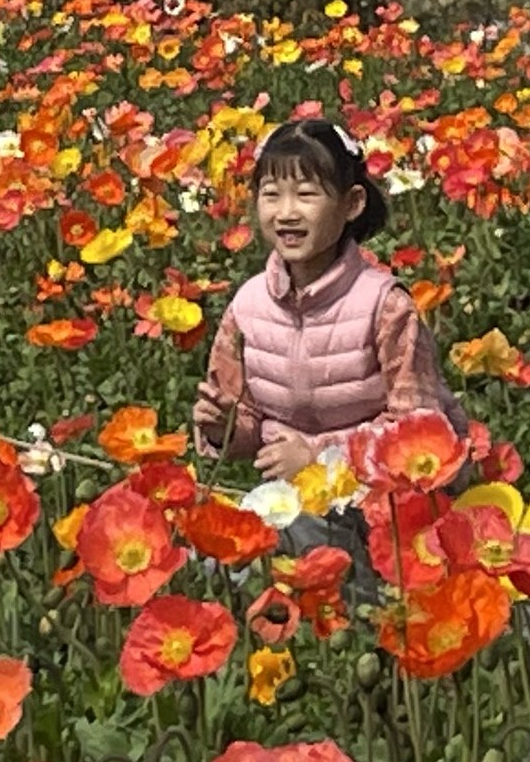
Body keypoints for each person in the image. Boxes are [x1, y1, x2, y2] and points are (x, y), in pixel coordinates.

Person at [194, 116, 454, 487]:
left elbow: (419, 430)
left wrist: (320, 458)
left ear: (352, 203)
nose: (286, 213)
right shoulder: (248, 306)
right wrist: (227, 429)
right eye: (271, 194)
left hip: (380, 496)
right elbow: (249, 418)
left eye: (305, 194)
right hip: (288, 494)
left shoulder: (386, 307)